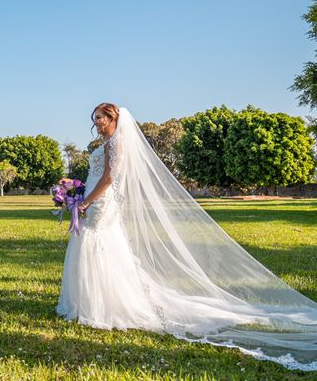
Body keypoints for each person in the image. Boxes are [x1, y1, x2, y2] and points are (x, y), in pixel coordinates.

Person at [57, 103, 317, 370]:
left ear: (113, 119)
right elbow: (96, 174)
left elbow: (110, 179)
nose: (96, 122)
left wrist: (87, 202)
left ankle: (105, 306)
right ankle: (91, 302)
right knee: (94, 244)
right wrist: (75, 191)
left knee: (98, 244)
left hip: (102, 202)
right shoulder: (107, 143)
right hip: (93, 197)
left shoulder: (116, 144)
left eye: (100, 117)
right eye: (95, 118)